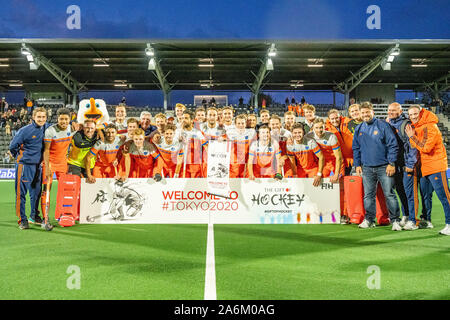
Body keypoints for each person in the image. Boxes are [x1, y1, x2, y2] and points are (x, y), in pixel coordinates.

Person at [352, 102, 401, 230]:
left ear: (372, 112)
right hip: (367, 168)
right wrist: (357, 164)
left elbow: (392, 145)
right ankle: (369, 219)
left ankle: (395, 220)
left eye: (367, 112)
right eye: (362, 113)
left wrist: (391, 163)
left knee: (389, 194)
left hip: (384, 167)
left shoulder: (383, 125)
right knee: (368, 196)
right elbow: (356, 148)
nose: (365, 115)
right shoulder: (359, 128)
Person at [405, 105, 450, 235]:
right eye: (411, 115)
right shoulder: (419, 127)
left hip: (436, 166)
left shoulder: (431, 127)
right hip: (426, 168)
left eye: (415, 114)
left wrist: (412, 137)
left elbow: (426, 148)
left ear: (421, 113)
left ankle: (449, 223)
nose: (413, 117)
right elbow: (416, 146)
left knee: (444, 197)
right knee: (426, 196)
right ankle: (427, 220)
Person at [9, 107, 50, 229]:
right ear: (33, 117)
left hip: (38, 167)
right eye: (39, 117)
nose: (41, 119)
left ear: (46, 118)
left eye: (43, 117)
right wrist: (21, 157)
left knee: (36, 193)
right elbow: (12, 146)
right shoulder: (24, 130)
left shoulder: (47, 128)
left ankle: (34, 216)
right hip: (24, 165)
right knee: (21, 194)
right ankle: (22, 219)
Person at [41, 108, 77, 214]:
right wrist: (47, 167)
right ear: (57, 119)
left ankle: (62, 214)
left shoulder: (72, 128)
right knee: (46, 190)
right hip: (50, 163)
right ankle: (45, 217)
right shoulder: (50, 131)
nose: (64, 122)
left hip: (63, 164)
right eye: (61, 119)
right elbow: (46, 150)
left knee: (65, 190)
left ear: (70, 119)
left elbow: (90, 126)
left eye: (66, 119)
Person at [386, 102, 411, 227]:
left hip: (406, 164)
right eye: (389, 110)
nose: (390, 112)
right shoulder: (388, 123)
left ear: (400, 112)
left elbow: (411, 146)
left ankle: (414, 217)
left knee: (409, 192)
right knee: (400, 190)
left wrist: (410, 163)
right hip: (394, 163)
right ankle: (406, 215)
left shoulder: (406, 124)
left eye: (393, 110)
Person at [177, 110, 208, 178]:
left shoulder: (197, 133)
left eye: (186, 118)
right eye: (182, 118)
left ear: (191, 120)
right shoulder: (177, 132)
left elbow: (206, 147)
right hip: (180, 166)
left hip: (195, 166)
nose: (183, 120)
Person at [325, 109, 354, 175]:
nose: (335, 120)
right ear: (329, 119)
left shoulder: (348, 123)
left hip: (352, 159)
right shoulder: (326, 129)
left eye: (336, 118)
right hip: (339, 161)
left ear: (340, 117)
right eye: (332, 119)